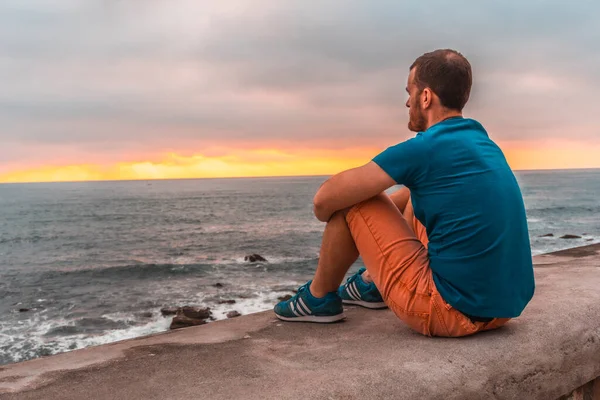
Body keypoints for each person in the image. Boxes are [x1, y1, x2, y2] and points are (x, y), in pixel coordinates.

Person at [273, 49, 535, 337]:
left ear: (426, 97)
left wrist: (341, 218)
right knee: (416, 193)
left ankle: (318, 298)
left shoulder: (423, 149)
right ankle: (373, 284)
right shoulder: (483, 144)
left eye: (410, 92)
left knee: (354, 199)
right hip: (503, 308)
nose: (407, 101)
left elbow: (324, 200)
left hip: (450, 311)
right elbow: (412, 198)